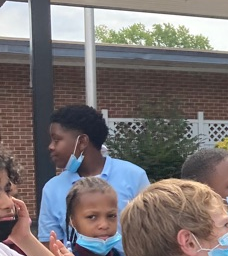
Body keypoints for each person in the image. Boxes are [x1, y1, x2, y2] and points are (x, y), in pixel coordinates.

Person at [38, 104, 150, 244]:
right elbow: (50, 247)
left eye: (57, 139)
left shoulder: (134, 176)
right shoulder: (52, 189)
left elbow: (152, 234)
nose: (51, 146)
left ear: (82, 142)